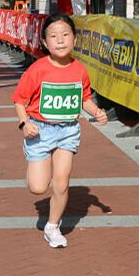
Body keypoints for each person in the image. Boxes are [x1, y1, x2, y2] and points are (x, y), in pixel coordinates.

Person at [11, 14, 108, 248]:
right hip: (40, 131)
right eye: (53, 36)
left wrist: (96, 112)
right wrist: (25, 124)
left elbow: (84, 98)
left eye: (65, 35)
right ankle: (35, 171)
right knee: (38, 188)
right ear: (45, 43)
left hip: (68, 131)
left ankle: (53, 226)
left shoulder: (80, 69)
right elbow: (19, 100)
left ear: (75, 39)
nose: (61, 41)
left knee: (62, 183)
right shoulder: (38, 70)